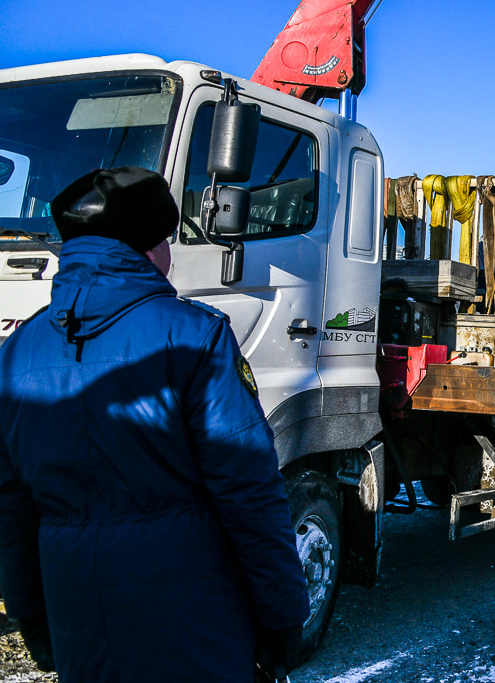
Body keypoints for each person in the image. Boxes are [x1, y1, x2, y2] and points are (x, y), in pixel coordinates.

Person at [0, 167, 309, 683]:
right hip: (194, 622)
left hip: (79, 620)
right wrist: (283, 617)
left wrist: (36, 622)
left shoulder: (16, 352)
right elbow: (249, 493)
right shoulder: (194, 336)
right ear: (149, 247)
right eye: (166, 238)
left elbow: (11, 514)